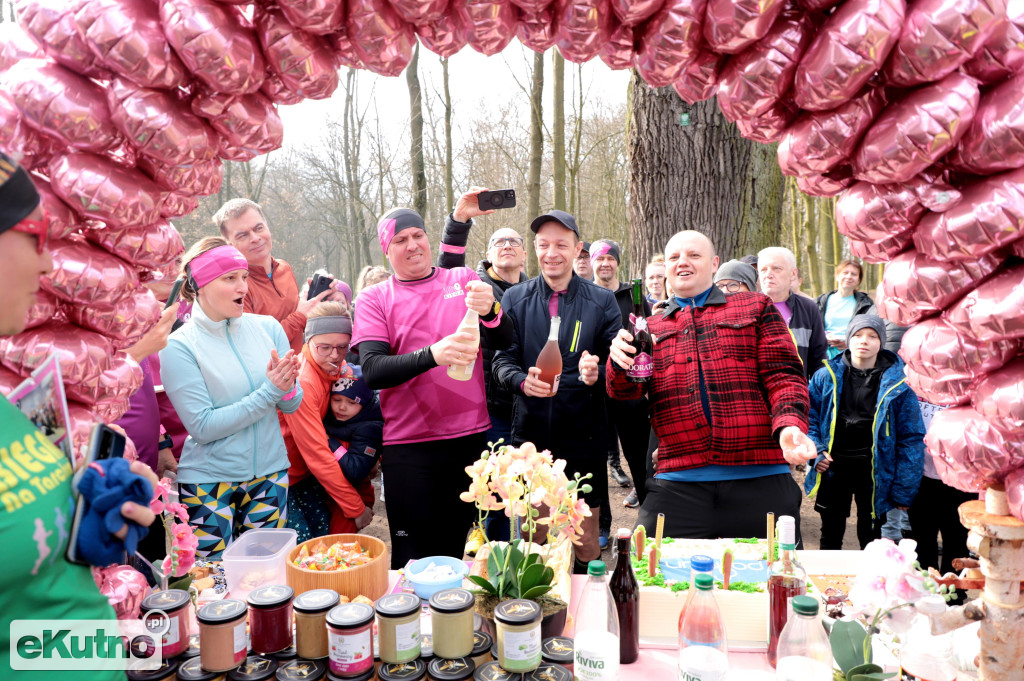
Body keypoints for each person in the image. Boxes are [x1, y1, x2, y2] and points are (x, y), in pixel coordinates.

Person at [0, 151, 158, 680]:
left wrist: (92, 523)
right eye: (36, 236)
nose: (47, 265)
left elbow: (34, 603)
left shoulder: (12, 406)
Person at [607, 231, 817, 541]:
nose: (683, 263)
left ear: (714, 263)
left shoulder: (756, 307)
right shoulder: (648, 327)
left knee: (775, 583)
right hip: (676, 483)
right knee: (649, 577)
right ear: (665, 268)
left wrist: (788, 427)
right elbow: (625, 392)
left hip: (761, 477)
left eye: (694, 255)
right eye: (674, 258)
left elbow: (785, 375)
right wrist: (617, 363)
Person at [351, 202, 513, 568]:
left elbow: (504, 338)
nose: (412, 245)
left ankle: (453, 625)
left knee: (461, 555)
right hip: (410, 449)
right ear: (387, 250)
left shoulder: (461, 280)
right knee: (413, 561)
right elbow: (373, 369)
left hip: (470, 442)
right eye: (401, 240)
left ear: (428, 238)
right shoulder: (375, 298)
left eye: (418, 235)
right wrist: (433, 355)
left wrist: (491, 310)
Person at [492, 211, 621, 568]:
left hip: (585, 437)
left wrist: (598, 371)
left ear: (578, 249)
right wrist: (521, 380)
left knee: (585, 540)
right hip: (531, 439)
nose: (552, 253)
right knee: (535, 536)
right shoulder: (515, 299)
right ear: (534, 249)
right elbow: (500, 362)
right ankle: (541, 617)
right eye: (544, 245)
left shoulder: (601, 301)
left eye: (561, 245)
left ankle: (588, 612)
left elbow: (619, 362)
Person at [160, 237, 302, 559]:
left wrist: (288, 383)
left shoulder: (267, 327)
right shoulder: (179, 345)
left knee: (266, 584)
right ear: (202, 286)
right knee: (215, 588)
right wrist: (270, 391)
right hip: (208, 487)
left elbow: (291, 404)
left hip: (270, 476)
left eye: (244, 277)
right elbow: (204, 427)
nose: (243, 287)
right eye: (230, 278)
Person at [804, 315, 925, 549]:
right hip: (833, 466)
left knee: (871, 537)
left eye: (872, 336)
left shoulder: (899, 385)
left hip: (874, 471)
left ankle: (870, 584)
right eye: (858, 335)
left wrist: (904, 488)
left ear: (882, 342)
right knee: (830, 533)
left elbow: (911, 438)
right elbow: (809, 417)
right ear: (848, 338)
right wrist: (816, 451)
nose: (864, 341)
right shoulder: (825, 376)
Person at [281, 302, 371, 543]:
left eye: (343, 347)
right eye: (325, 347)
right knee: (302, 552)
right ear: (307, 341)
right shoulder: (303, 380)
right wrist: (356, 508)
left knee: (324, 544)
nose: (335, 355)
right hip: (281, 480)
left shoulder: (337, 367)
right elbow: (317, 453)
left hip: (306, 476)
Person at [590, 238, 653, 527]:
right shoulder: (584, 296)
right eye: (599, 259)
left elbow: (650, 339)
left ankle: (651, 519)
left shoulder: (634, 297)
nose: (605, 264)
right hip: (593, 392)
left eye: (610, 258)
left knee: (640, 460)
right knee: (594, 465)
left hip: (631, 394)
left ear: (617, 262)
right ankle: (602, 524)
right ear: (592, 263)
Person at [215, 198, 330, 353]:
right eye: (242, 235)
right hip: (268, 376)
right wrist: (300, 315)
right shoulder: (235, 287)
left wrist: (316, 305)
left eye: (258, 228)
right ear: (229, 245)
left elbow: (301, 329)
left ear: (267, 227)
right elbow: (255, 345)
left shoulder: (285, 268)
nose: (255, 238)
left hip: (299, 370)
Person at [475, 227, 528, 445]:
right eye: (499, 242)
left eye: (514, 242)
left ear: (525, 254)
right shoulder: (475, 290)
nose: (507, 245)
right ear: (488, 255)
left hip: (528, 403)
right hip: (490, 409)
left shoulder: (535, 292)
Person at [908, 403, 973, 580]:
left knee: (956, 539)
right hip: (920, 476)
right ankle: (926, 592)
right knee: (922, 539)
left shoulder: (969, 387)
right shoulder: (916, 383)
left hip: (961, 480)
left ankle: (954, 593)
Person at [757, 247, 829, 380]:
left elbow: (819, 359)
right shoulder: (749, 309)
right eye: (763, 270)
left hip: (797, 393)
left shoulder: (809, 308)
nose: (768, 274)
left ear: (793, 274)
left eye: (776, 268)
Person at [323, 364, 383, 508]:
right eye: (337, 399)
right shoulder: (329, 417)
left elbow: (355, 470)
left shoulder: (370, 429)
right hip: (330, 494)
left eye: (352, 402)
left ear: (365, 403)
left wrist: (330, 443)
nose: (342, 407)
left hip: (356, 497)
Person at [816, 259, 876, 359]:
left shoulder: (866, 303)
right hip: (824, 354)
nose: (849, 276)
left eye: (854, 274)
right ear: (837, 276)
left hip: (854, 355)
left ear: (859, 280)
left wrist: (850, 342)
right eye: (845, 273)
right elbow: (813, 328)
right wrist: (823, 337)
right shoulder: (821, 301)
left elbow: (871, 330)